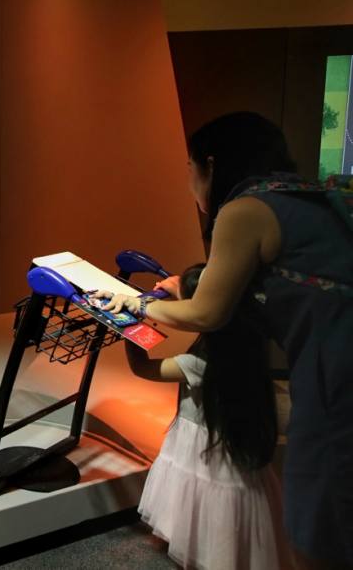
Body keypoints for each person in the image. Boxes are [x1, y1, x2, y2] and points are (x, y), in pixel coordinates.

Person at [93, 112, 353, 567]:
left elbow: (208, 311)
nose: (190, 184)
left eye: (190, 170)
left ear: (210, 164)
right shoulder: (302, 197)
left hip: (334, 375)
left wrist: (135, 305)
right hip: (331, 360)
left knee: (322, 525)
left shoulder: (244, 209)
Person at [128, 264, 291, 569]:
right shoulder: (246, 342)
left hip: (201, 449)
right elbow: (210, 308)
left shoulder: (197, 364)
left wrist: (126, 326)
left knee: (207, 507)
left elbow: (143, 369)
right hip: (228, 445)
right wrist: (181, 291)